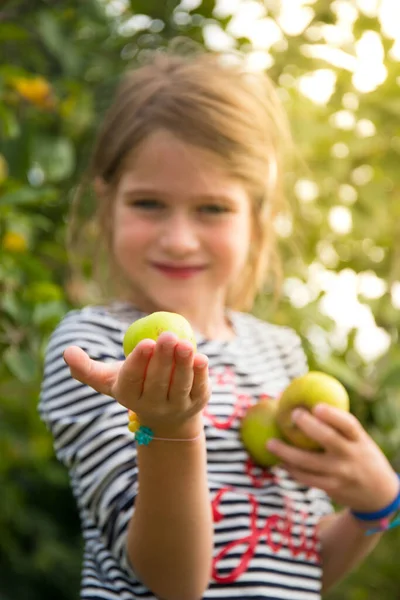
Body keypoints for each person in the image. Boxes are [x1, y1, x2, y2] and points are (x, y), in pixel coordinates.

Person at [39, 50, 400, 600]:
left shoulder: (279, 352)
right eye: (149, 203)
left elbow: (294, 574)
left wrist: (376, 507)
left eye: (212, 209)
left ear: (256, 221)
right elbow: (175, 583)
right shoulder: (96, 352)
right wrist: (169, 429)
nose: (179, 238)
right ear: (106, 205)